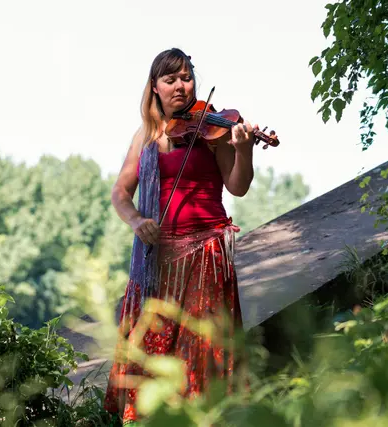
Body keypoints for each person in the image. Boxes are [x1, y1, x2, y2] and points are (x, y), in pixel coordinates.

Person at [103, 47, 256, 423]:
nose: (180, 87)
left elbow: (238, 186)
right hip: (157, 263)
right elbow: (120, 194)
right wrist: (138, 221)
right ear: (155, 87)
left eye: (186, 78)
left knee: (201, 350)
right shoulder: (146, 137)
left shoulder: (212, 131)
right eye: (170, 80)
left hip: (206, 252)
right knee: (153, 350)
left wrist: (244, 152)